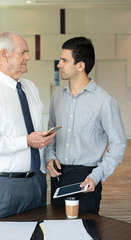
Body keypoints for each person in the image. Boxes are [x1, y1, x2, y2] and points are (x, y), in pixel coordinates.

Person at [0, 31, 55, 223]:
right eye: (23, 52)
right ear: (4, 54)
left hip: (37, 181)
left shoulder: (30, 88)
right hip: (3, 186)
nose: (28, 57)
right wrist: (26, 141)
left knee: (37, 233)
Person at [44, 36, 127, 214]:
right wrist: (49, 157)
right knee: (57, 229)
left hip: (87, 178)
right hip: (58, 175)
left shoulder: (104, 101)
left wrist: (97, 176)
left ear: (80, 66)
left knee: (85, 230)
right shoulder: (56, 97)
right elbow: (51, 135)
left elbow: (119, 143)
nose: (59, 65)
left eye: (64, 60)